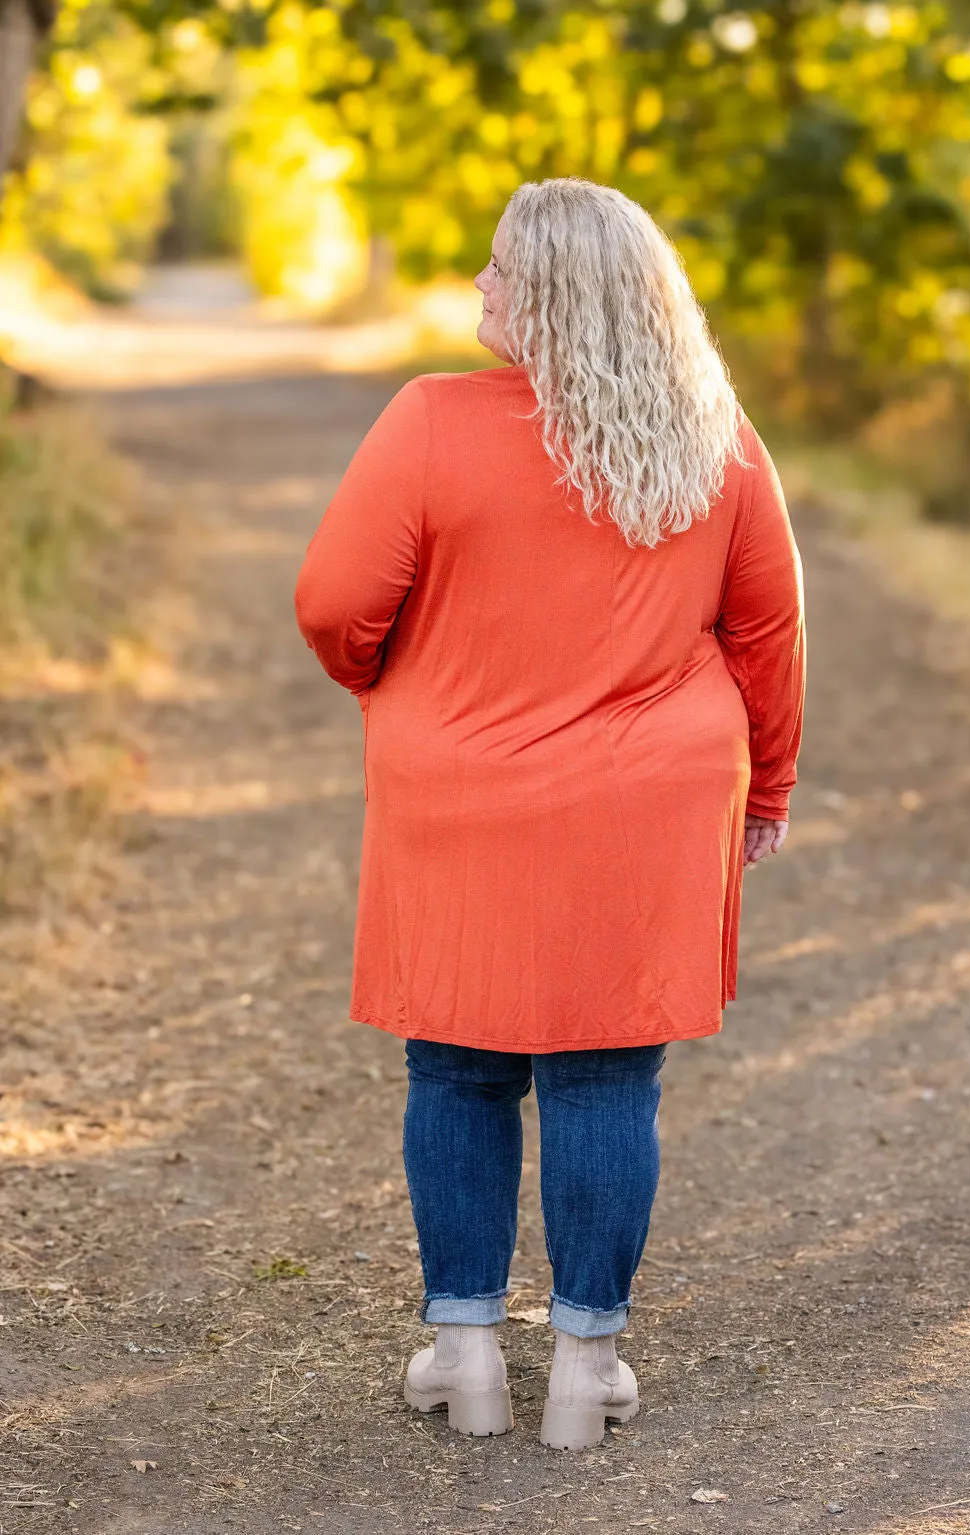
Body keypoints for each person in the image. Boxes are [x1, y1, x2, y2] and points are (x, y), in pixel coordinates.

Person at [294, 177, 805, 1450]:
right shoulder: (714, 434)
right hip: (645, 808)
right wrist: (772, 783)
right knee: (604, 1080)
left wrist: (392, 683)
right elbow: (769, 635)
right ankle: (583, 1372)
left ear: (557, 294)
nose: (475, 285)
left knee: (455, 1066)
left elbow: (331, 603)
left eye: (498, 271)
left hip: (456, 793)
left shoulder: (427, 422)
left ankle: (465, 1358)